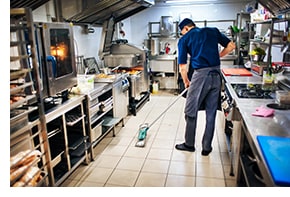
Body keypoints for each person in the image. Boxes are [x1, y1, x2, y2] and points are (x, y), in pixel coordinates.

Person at [175, 18, 236, 156]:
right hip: (216, 74)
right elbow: (231, 46)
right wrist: (218, 56)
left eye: (182, 32)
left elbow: (183, 66)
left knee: (190, 110)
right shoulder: (213, 31)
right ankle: (206, 147)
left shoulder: (184, 39)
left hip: (200, 75)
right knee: (211, 112)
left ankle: (189, 144)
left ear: (185, 29)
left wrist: (186, 81)